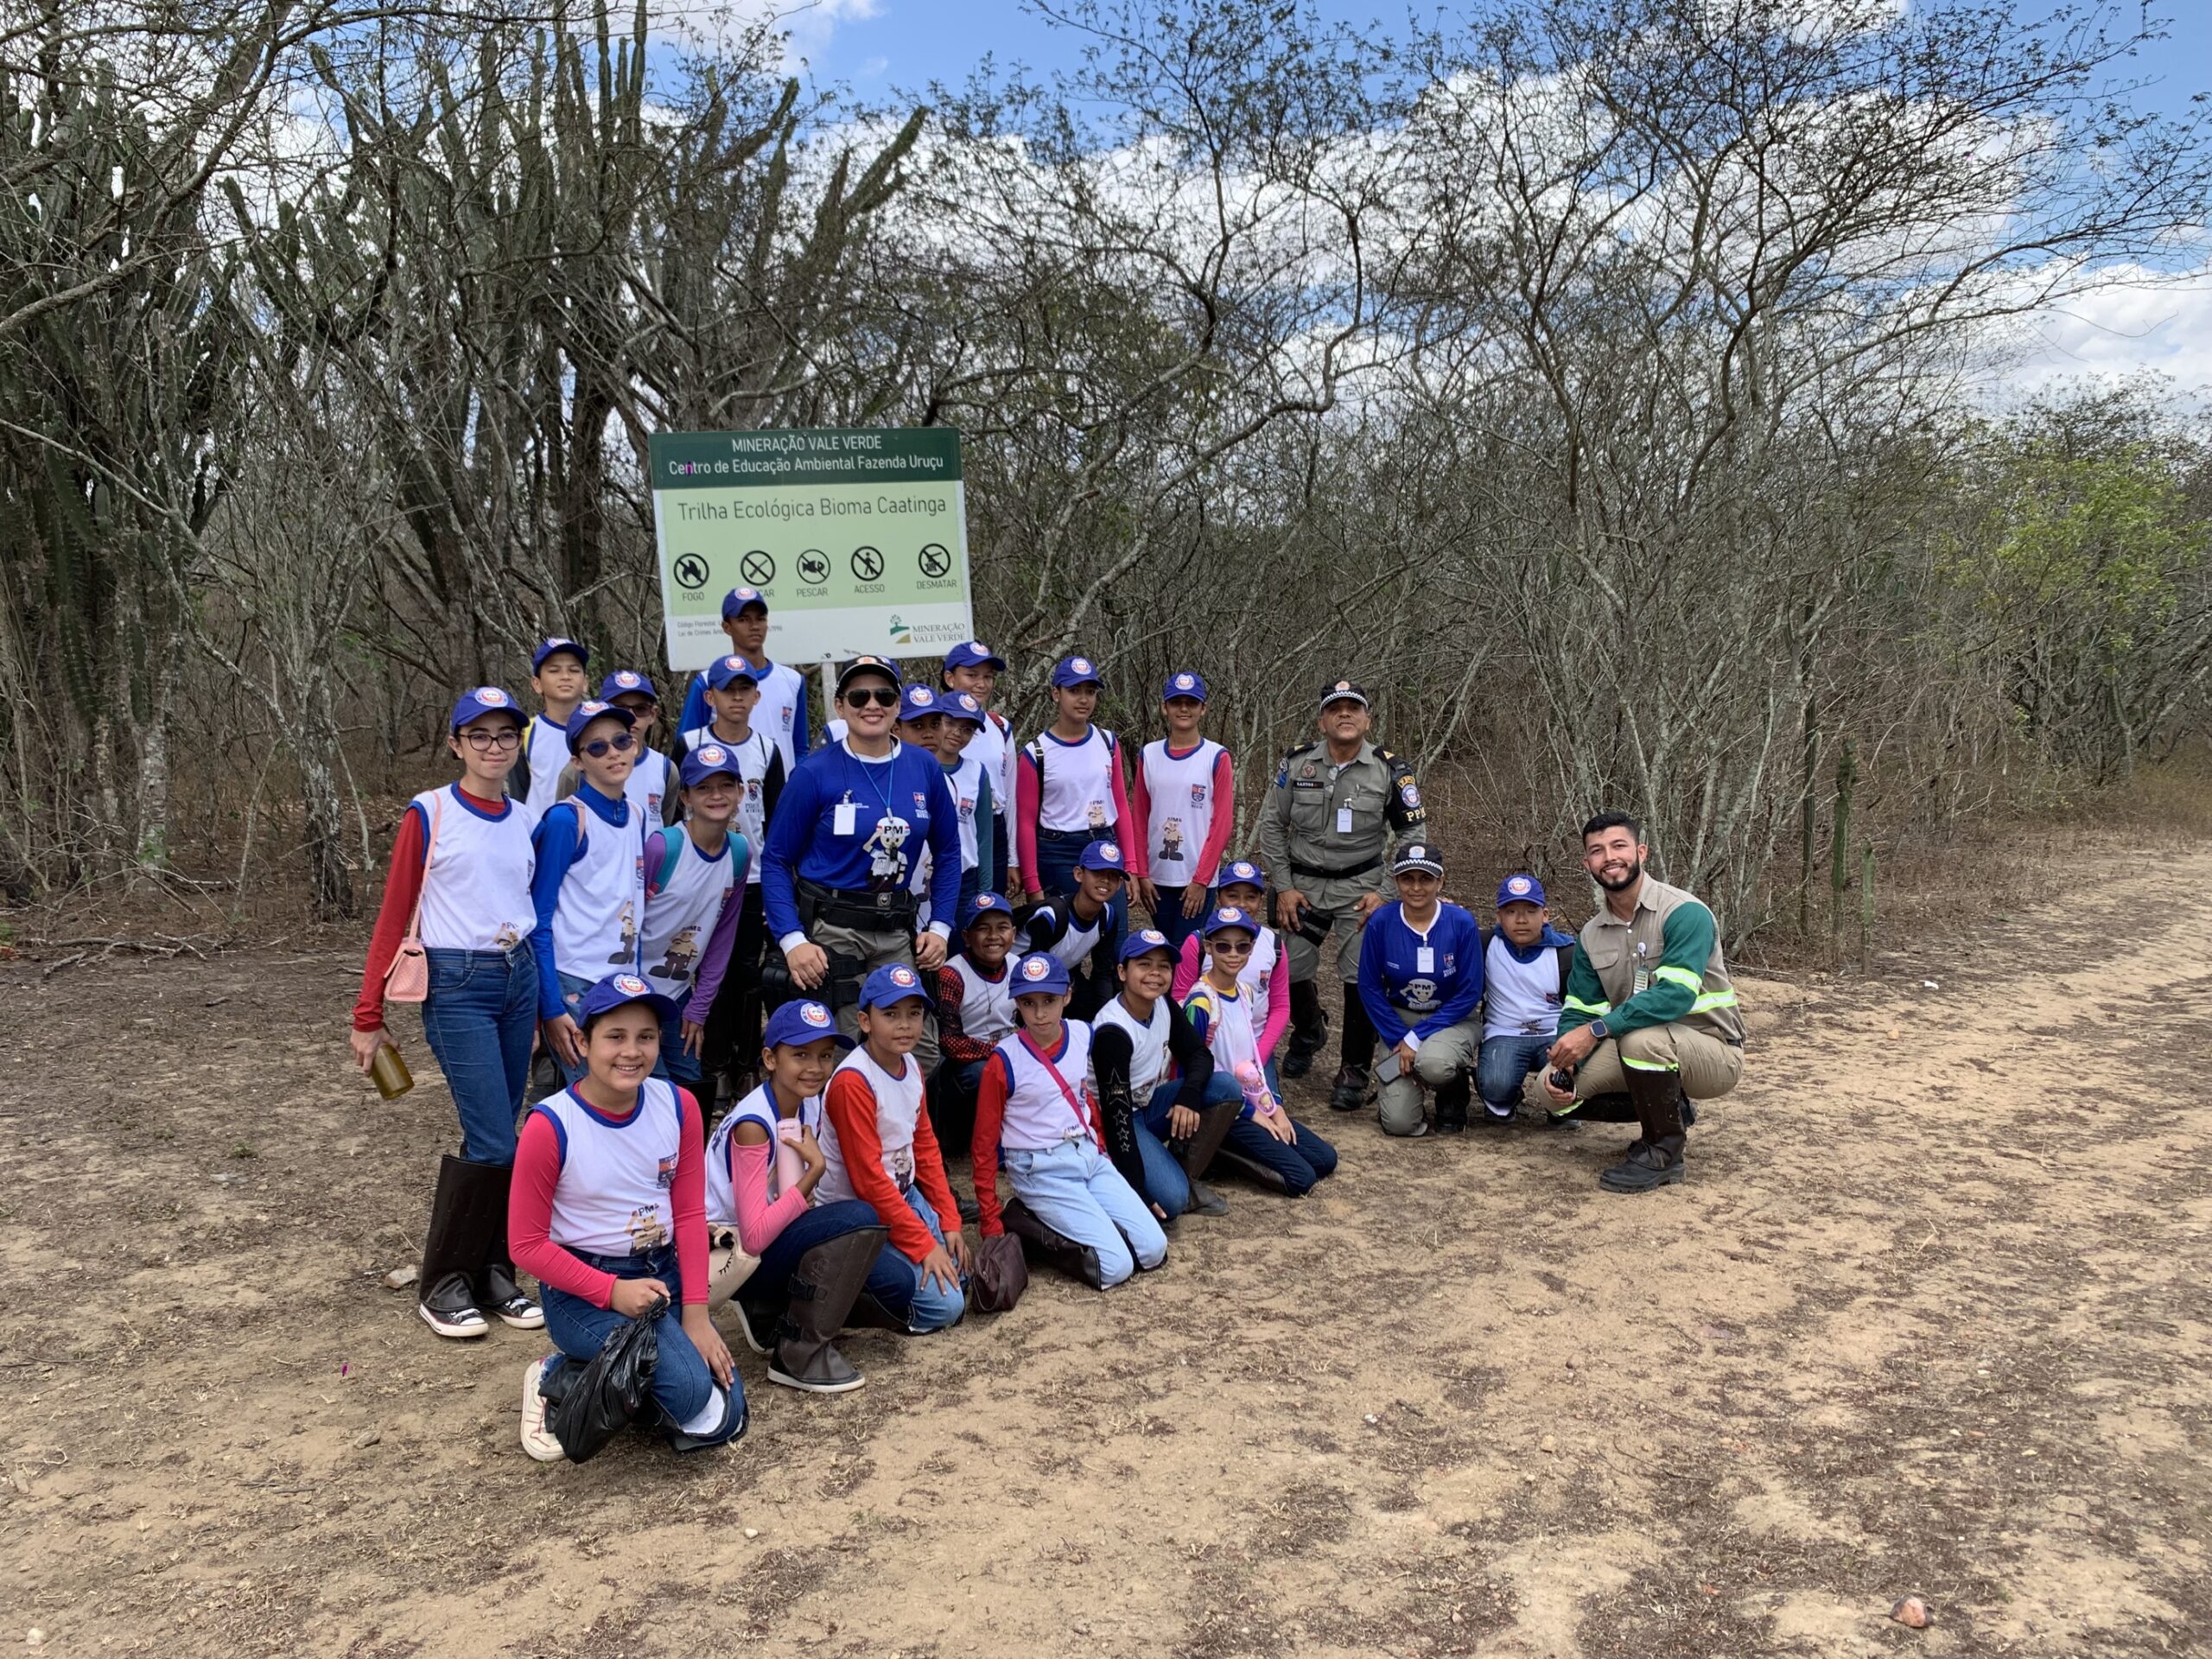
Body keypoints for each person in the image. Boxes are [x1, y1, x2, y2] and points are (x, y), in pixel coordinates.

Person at [350, 686, 544, 1340]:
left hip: (519, 977)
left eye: (506, 736)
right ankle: (443, 1284)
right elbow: (394, 911)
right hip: (458, 985)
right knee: (496, 1138)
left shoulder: (523, 817)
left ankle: (494, 1273)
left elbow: (528, 909)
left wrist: (546, 1000)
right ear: (457, 744)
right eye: (480, 736)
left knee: (499, 1132)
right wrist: (367, 1013)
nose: (495, 747)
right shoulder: (428, 813)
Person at [512, 974, 744, 1461]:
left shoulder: (679, 1105)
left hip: (663, 1274)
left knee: (728, 1407)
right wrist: (613, 1291)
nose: (631, 1051)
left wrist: (698, 1315)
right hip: (586, 1288)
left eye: (646, 1037)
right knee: (692, 1396)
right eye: (615, 1036)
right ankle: (558, 1375)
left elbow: (688, 1211)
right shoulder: (551, 1125)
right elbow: (526, 1246)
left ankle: (621, 1372)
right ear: (582, 1040)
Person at [1543, 812, 1746, 1192]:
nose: (1610, 858)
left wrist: (1597, 1031)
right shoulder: (1590, 935)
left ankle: (1663, 1152)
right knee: (1550, 1090)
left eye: (1619, 846)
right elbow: (1580, 1009)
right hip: (1642, 1047)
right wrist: (1571, 1058)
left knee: (1641, 1041)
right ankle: (1672, 1107)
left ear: (1641, 852)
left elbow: (1675, 995)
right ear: (1587, 864)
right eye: (1597, 851)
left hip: (1713, 1050)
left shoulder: (1685, 913)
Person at [760, 657, 960, 1042]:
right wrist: (791, 940)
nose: (872, 705)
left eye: (884, 695)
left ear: (898, 706)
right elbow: (776, 859)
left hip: (897, 929)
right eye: (859, 696)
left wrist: (940, 927)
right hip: (833, 930)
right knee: (846, 1045)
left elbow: (949, 852)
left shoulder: (924, 767)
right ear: (840, 706)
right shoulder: (813, 773)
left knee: (917, 1046)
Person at [1255, 677, 1427, 1110]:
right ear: (1322, 720)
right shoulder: (1296, 765)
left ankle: (1354, 1067)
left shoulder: (1390, 770)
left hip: (1361, 887)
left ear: (1367, 719)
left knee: (1360, 978)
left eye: (1353, 708)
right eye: (1335, 709)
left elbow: (1413, 833)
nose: (1344, 714)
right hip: (1304, 887)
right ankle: (1310, 1029)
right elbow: (1273, 826)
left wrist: (1387, 892)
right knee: (1288, 968)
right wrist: (1285, 885)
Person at [702, 999, 888, 1395]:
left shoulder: (810, 1100)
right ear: (770, 1059)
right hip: (729, 1253)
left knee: (898, 1284)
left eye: (824, 1055)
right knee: (859, 1218)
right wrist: (814, 1174)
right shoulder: (753, 1124)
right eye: (800, 1054)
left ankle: (769, 1310)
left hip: (770, 1231)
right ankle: (796, 1353)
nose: (816, 1067)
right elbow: (752, 1237)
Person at [970, 952, 1168, 1289]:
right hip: (1040, 1166)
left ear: (1068, 996)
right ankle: (1026, 1224)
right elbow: (984, 1142)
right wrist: (989, 1219)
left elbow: (1083, 1096)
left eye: (1049, 1000)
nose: (1040, 1013)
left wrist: (1102, 1147)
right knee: (1115, 1267)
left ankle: (1086, 1221)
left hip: (1087, 1154)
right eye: (1028, 1003)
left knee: (1153, 1249)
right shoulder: (1004, 1060)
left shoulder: (1081, 1034)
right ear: (1017, 1003)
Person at [817, 964, 970, 1332]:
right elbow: (868, 1181)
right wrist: (922, 1245)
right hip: (859, 1212)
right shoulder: (854, 1081)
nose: (905, 1025)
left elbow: (926, 1147)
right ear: (865, 1021)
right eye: (890, 1014)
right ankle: (856, 1300)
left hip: (901, 1195)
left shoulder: (912, 1066)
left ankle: (895, 1273)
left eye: (914, 1014)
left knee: (961, 1275)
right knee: (945, 1307)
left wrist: (949, 1219)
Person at [675, 654, 785, 1098]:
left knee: (747, 975)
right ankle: (714, 1063)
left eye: (745, 689)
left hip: (753, 877)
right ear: (710, 696)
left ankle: (745, 1064)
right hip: (701, 877)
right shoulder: (689, 741)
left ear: (757, 696)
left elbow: (777, 821)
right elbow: (674, 809)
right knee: (706, 971)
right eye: (727, 690)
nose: (736, 698)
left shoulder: (766, 749)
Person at [527, 699, 647, 1085]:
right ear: (578, 761)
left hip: (624, 979)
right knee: (595, 1095)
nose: (613, 753)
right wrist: (550, 1006)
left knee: (632, 1089)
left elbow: (633, 904)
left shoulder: (637, 814)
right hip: (576, 982)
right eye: (597, 747)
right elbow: (538, 919)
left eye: (621, 741)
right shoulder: (566, 820)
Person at [1184, 906, 1339, 1198]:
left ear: (1252, 948)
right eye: (1222, 946)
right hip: (1222, 1109)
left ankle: (1247, 1145)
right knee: (1300, 1178)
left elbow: (1252, 1063)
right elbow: (1194, 1071)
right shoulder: (1200, 1002)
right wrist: (1255, 1115)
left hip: (1249, 1099)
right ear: (1208, 948)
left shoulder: (1245, 992)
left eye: (1242, 946)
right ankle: (1220, 1153)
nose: (1233, 954)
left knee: (1324, 1160)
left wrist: (1274, 1108)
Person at [1090, 928, 1240, 1219]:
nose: (1155, 974)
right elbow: (1116, 1117)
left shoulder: (1162, 1004)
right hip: (1114, 1119)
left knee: (1226, 1086)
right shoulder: (1113, 1030)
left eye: (1164, 966)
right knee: (1171, 1202)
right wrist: (1138, 1191)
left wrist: (1188, 1095)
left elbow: (1199, 1055)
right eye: (1144, 965)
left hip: (1148, 1103)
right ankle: (1130, 1180)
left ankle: (1185, 1175)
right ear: (1122, 972)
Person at [639, 745, 748, 1096]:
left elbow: (722, 936)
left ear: (741, 792)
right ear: (685, 796)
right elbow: (626, 923)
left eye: (726, 786)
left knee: (690, 1087)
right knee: (654, 1088)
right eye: (703, 787)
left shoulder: (740, 852)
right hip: (637, 989)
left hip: (680, 993)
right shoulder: (662, 847)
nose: (716, 796)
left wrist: (699, 1008)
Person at [1357, 842, 1485, 1137]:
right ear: (1396, 882)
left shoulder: (1461, 922)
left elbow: (1469, 992)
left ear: (1440, 881)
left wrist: (1416, 1040)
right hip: (1400, 1019)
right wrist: (1399, 1038)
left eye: (1426, 879)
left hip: (1452, 1018)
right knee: (1399, 1124)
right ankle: (1407, 1088)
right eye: (1407, 879)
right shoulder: (1382, 921)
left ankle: (1451, 1089)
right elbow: (1369, 986)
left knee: (1435, 1064)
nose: (1416, 887)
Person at [1014, 652, 1141, 917]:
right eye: (1074, 691)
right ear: (1056, 694)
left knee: (1113, 940)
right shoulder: (1036, 752)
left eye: (1090, 691)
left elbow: (1119, 804)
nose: (1084, 699)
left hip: (1104, 844)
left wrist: (1130, 865)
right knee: (1061, 943)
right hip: (1058, 851)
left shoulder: (1108, 743)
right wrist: (1033, 885)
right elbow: (1025, 822)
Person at [1132, 671, 1234, 954]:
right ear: (1165, 707)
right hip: (1156, 878)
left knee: (1187, 951)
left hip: (1195, 879)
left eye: (1192, 702)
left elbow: (1222, 824)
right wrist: (1141, 873)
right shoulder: (1149, 755)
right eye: (1176, 702)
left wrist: (1201, 880)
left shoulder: (1216, 756)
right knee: (1164, 950)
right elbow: (1138, 818)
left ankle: (1186, 1000)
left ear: (1204, 708)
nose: (1184, 708)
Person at [1476, 874, 1579, 1125]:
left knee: (1575, 1074)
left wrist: (1575, 1051)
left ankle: (1559, 1107)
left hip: (1554, 1033)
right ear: (1499, 917)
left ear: (1545, 915)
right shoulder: (1485, 944)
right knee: (1496, 1085)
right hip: (1505, 1032)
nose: (1521, 920)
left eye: (1530, 911)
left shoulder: (1567, 953)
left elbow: (1582, 1009)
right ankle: (1506, 1100)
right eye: (1511, 911)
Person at [1169, 858, 1287, 1077]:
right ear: (1219, 898)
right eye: (1232, 896)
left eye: (1251, 897)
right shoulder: (1198, 943)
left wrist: (1258, 1058)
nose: (1242, 904)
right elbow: (1180, 1000)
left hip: (1255, 1044)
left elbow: (1281, 1006)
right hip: (1208, 1047)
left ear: (1261, 900)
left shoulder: (1274, 945)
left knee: (1273, 1109)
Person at [673, 586, 810, 772]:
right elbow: (687, 748)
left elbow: (800, 748)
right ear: (727, 627)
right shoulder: (707, 682)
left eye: (760, 619)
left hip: (780, 795)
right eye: (744, 620)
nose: (754, 626)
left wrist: (795, 785)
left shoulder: (793, 681)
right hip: (723, 794)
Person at [929, 891, 1020, 1160]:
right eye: (983, 928)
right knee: (985, 1073)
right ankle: (990, 1143)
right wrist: (1000, 1051)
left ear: (1014, 934)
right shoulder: (952, 974)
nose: (994, 936)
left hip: (1009, 1051)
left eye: (1002, 928)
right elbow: (949, 1042)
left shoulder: (1017, 967)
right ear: (967, 937)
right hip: (965, 1066)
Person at [1017, 840, 1129, 1018]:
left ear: (1120, 884)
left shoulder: (1108, 917)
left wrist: (1104, 1018)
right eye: (1097, 872)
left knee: (1092, 1009)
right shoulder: (1051, 917)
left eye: (1113, 876)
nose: (1105, 880)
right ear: (1079, 874)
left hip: (1061, 973)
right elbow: (1033, 973)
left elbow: (1102, 973)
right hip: (1022, 978)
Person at [940, 640, 1015, 894]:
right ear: (950, 678)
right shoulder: (931, 724)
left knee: (987, 910)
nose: (981, 684)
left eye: (988, 677)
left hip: (991, 828)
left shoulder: (1000, 727)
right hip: (948, 824)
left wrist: (1013, 858)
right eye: (972, 675)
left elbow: (1010, 794)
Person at [934, 690, 998, 912]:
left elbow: (983, 835)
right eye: (949, 723)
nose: (956, 733)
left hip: (964, 878)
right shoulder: (916, 765)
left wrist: (985, 888)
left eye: (967, 730)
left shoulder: (977, 773)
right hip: (921, 876)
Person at [514, 637, 588, 815]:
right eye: (554, 670)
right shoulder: (525, 733)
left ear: (585, 682)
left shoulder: (601, 729)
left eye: (574, 670)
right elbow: (518, 795)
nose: (565, 677)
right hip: (542, 837)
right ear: (537, 684)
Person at [601, 669, 676, 824]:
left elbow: (666, 825)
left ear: (653, 715)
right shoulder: (584, 767)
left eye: (640, 709)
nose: (631, 717)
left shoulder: (666, 769)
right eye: (620, 708)